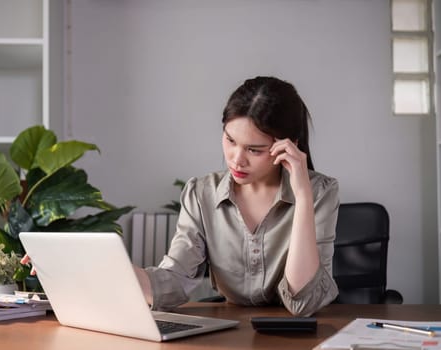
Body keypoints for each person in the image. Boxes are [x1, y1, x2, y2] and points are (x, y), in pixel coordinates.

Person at [132, 76, 339, 317]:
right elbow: (174, 281)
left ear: (288, 146)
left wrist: (302, 196)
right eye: (230, 140)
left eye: (254, 149)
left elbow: (303, 302)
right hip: (231, 330)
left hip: (299, 336)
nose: (236, 159)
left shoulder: (320, 192)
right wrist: (118, 271)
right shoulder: (201, 193)